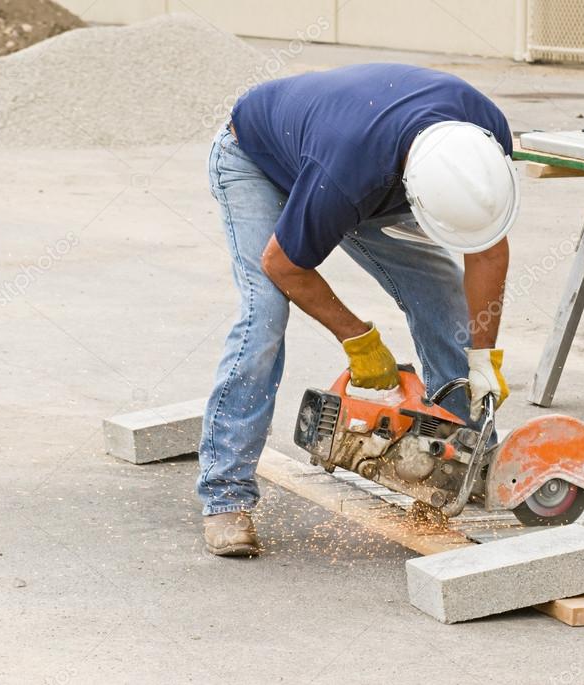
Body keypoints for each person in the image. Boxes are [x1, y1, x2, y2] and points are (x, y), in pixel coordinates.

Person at [198, 63, 520, 556]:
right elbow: (283, 266)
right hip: (256, 159)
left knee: (439, 291)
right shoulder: (349, 175)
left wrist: (483, 357)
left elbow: (488, 251)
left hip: (352, 161)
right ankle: (226, 495)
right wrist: (359, 340)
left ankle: (457, 467)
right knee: (263, 315)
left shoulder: (483, 140)